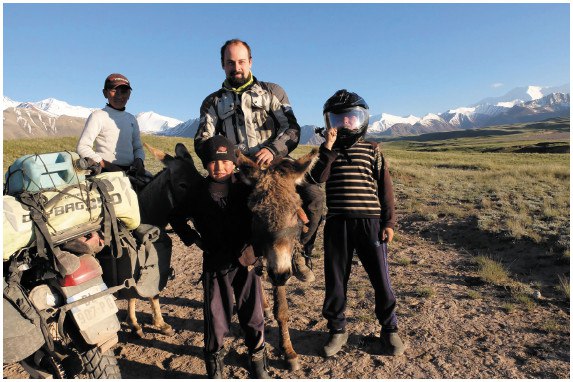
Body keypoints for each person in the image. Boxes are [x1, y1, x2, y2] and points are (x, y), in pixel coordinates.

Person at [194, 38, 323, 283]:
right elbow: (203, 140)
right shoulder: (212, 102)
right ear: (222, 65)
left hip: (275, 167)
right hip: (240, 169)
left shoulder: (273, 91)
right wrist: (228, 159)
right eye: (230, 62)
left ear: (250, 62)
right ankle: (234, 262)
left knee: (315, 196)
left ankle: (300, 250)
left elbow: (292, 129)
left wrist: (274, 150)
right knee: (214, 206)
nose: (237, 67)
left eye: (241, 61)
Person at [310, 89, 405, 358]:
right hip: (337, 225)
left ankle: (390, 329)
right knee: (336, 280)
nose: (345, 123)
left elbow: (385, 189)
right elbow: (318, 179)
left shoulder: (373, 150)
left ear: (361, 119)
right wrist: (327, 149)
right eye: (338, 119)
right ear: (330, 122)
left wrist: (389, 222)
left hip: (370, 223)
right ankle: (337, 330)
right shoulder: (326, 152)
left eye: (351, 117)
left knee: (381, 279)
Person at [172, 135, 270, 379]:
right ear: (206, 164)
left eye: (225, 162)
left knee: (253, 314)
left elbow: (265, 213)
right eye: (214, 162)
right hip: (215, 263)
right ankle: (215, 364)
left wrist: (257, 246)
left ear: (233, 163)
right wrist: (193, 238)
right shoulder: (197, 192)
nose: (220, 167)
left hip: (247, 261)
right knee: (216, 317)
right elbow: (176, 216)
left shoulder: (246, 187)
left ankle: (258, 361)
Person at [76, 73, 146, 175]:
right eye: (114, 90)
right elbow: (82, 147)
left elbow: (137, 148)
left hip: (130, 171)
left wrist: (139, 160)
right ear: (105, 93)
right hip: (105, 171)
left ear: (129, 95)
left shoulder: (131, 119)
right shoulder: (98, 116)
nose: (119, 95)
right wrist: (107, 165)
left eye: (124, 91)